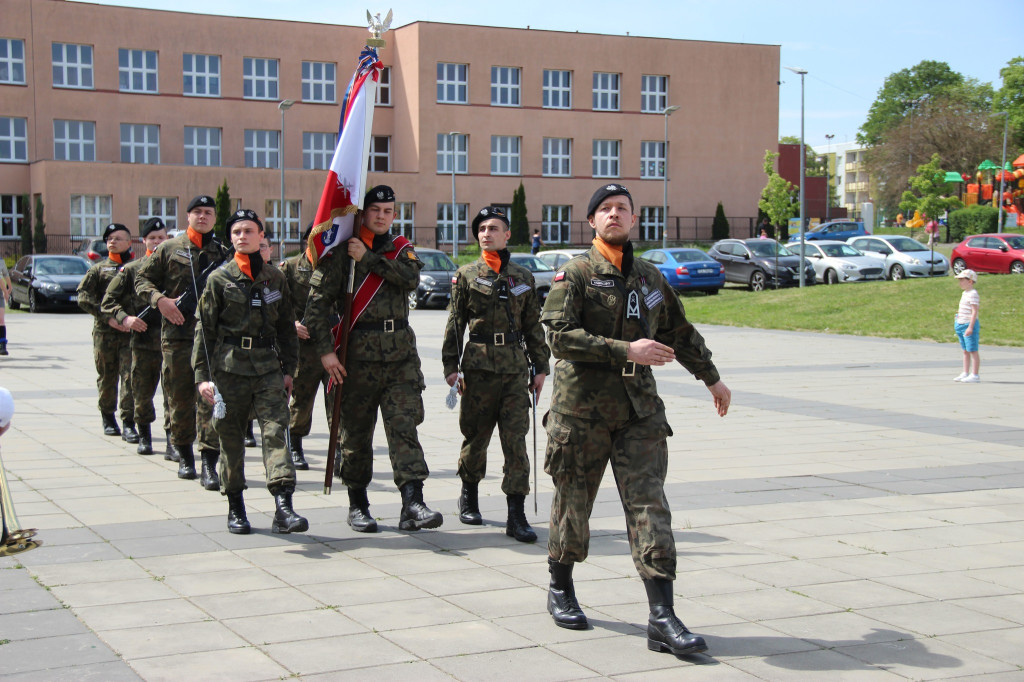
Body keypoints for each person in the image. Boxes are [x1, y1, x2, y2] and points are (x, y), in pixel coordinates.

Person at [540, 183, 731, 656]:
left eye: (622, 208)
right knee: (573, 503)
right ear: (592, 222)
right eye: (604, 209)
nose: (614, 215)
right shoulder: (575, 274)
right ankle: (560, 586)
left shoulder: (649, 277)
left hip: (639, 411)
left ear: (633, 218)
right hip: (581, 411)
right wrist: (628, 350)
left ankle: (661, 616)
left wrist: (712, 378)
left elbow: (679, 332)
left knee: (650, 507)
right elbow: (559, 337)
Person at [305, 185, 443, 533]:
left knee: (404, 429)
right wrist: (324, 352)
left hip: (399, 360)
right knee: (355, 436)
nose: (382, 216)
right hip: (355, 360)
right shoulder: (338, 254)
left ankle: (413, 502)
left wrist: (366, 258)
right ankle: (358, 504)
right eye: (375, 210)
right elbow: (317, 308)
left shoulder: (401, 249)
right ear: (362, 213)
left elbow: (410, 280)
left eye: (388, 211)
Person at [193, 209, 306, 535]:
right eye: (237, 231)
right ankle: (236, 507)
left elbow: (286, 327)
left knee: (275, 432)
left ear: (260, 236)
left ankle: (284, 507)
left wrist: (289, 370)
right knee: (230, 441)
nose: (243, 236)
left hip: (268, 367)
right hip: (229, 370)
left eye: (249, 231)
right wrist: (203, 377)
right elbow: (205, 331)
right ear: (231, 238)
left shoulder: (275, 278)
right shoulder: (219, 279)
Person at [442, 206, 551, 543]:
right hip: (478, 369)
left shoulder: (523, 277)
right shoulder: (466, 275)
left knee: (516, 442)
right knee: (476, 437)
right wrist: (450, 366)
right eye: (482, 228)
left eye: (494, 228)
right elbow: (455, 322)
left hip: (515, 371)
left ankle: (515, 515)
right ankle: (469, 494)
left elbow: (533, 324)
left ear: (507, 235)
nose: (486, 233)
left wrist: (541, 366)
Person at [137, 195, 230, 483]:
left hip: (213, 341)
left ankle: (209, 463)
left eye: (208, 212)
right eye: (197, 212)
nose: (203, 217)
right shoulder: (168, 248)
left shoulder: (224, 253)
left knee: (211, 400)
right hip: (178, 338)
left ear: (215, 218)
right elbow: (142, 280)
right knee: (178, 399)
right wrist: (160, 301)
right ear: (188, 216)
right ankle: (185, 456)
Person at [101, 218, 170, 457]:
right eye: (152, 238)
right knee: (141, 393)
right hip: (143, 342)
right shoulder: (132, 270)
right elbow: (107, 301)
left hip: (173, 341)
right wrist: (124, 319)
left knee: (175, 395)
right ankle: (144, 435)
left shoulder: (177, 269)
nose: (157, 242)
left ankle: (174, 441)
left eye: (161, 238)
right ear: (144, 241)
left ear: (167, 239)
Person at [77, 223, 137, 442]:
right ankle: (108, 417)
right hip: (106, 333)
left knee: (130, 377)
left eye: (118, 238)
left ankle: (129, 421)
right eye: (109, 238)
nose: (112, 241)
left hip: (130, 333)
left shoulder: (136, 267)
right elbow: (84, 297)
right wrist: (108, 318)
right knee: (107, 376)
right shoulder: (98, 269)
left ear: (129, 243)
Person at [281, 222, 333, 471]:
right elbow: (277, 303)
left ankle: (340, 451)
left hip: (334, 344)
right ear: (306, 241)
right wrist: (290, 324)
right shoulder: (290, 268)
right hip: (305, 346)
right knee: (301, 399)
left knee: (337, 400)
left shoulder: (337, 267)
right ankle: (295, 445)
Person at [953, 269, 981, 383]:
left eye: (962, 280)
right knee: (965, 350)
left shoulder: (973, 294)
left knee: (972, 350)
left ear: (970, 281)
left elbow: (974, 312)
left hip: (968, 325)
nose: (960, 283)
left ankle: (975, 374)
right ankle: (965, 372)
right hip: (960, 323)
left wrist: (970, 326)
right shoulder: (964, 293)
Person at [0, 257, 11, 356]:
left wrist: (9, 287)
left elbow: (5, 274)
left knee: (1, 319)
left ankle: (2, 345)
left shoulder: (1, 260)